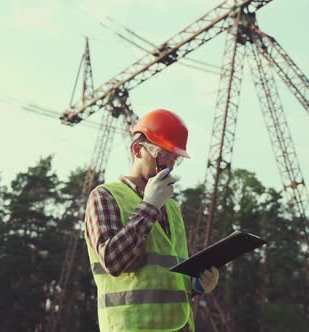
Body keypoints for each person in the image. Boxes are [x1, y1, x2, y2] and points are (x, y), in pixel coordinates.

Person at [85, 109, 220, 332]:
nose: (170, 165)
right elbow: (113, 261)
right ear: (138, 149)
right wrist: (149, 206)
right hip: (133, 326)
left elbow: (165, 277)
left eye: (175, 158)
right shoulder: (105, 197)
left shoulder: (173, 209)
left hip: (180, 326)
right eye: (164, 155)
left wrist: (197, 285)